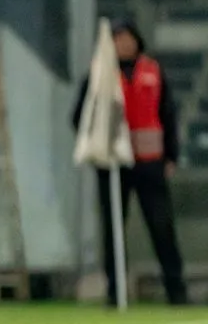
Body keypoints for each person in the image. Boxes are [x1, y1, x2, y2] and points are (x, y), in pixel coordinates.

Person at [71, 19, 187, 306]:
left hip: (150, 162)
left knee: (162, 227)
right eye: (118, 39)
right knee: (113, 230)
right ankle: (115, 291)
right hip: (113, 165)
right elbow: (82, 117)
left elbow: (168, 115)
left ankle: (176, 290)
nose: (124, 44)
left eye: (128, 38)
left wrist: (171, 155)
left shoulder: (153, 71)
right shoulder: (100, 74)